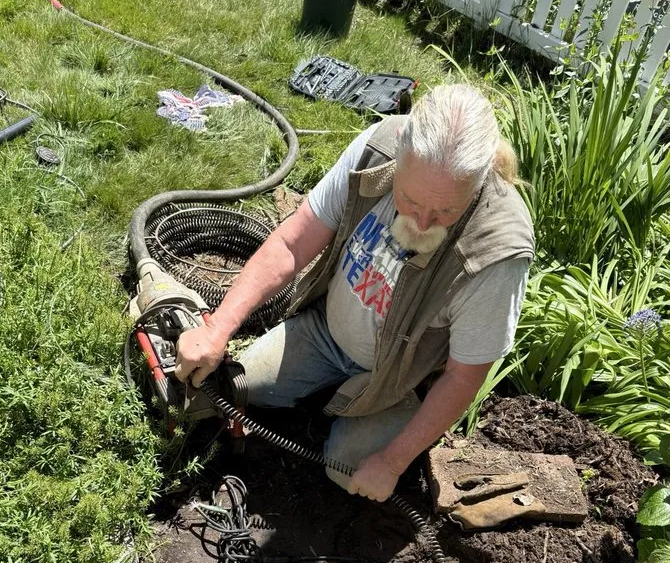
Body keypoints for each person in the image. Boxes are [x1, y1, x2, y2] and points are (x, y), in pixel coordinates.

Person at [175, 83, 535, 502]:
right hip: (325, 333)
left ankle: (400, 418)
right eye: (411, 200)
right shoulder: (379, 148)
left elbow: (462, 376)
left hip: (394, 381)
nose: (421, 222)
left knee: (346, 472)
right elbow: (292, 243)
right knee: (234, 387)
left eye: (445, 212)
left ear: (480, 179)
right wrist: (217, 328)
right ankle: (327, 393)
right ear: (401, 152)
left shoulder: (497, 253)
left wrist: (393, 463)